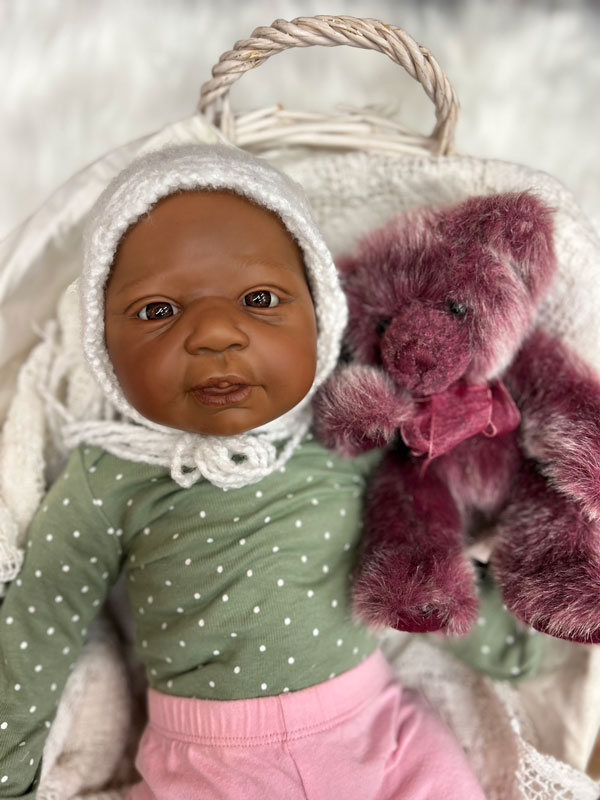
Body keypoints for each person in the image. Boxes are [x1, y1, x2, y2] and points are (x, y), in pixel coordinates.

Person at [0, 144, 485, 799]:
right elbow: (42, 615)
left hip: (383, 735)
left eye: (259, 298)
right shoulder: (112, 470)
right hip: (205, 769)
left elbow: (428, 549)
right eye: (157, 310)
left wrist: (512, 641)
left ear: (320, 314)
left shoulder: (346, 432)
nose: (215, 333)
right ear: (102, 345)